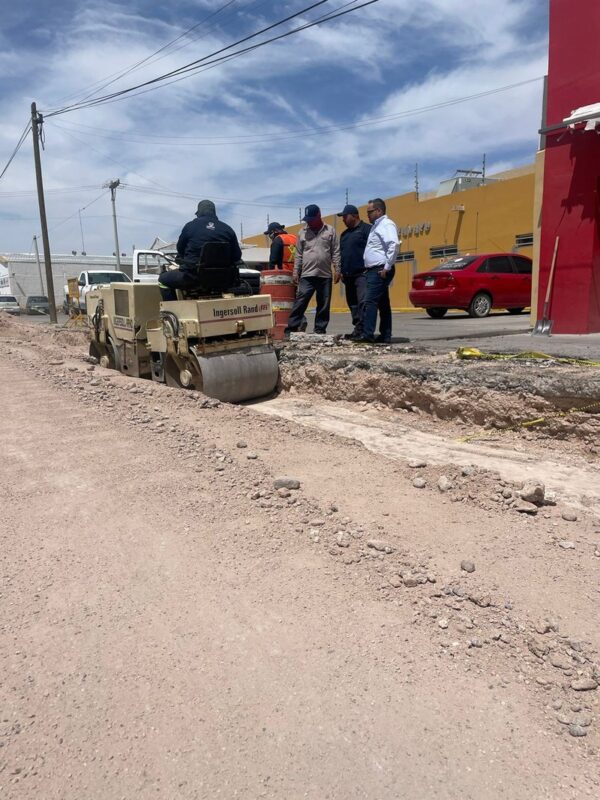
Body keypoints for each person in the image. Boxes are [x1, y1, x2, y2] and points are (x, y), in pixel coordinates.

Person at [159, 199, 242, 300]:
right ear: (214, 213)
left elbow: (180, 249)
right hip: (223, 279)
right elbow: (237, 256)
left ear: (199, 213)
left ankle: (172, 308)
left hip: (193, 277)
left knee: (162, 280)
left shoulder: (190, 226)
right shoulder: (228, 229)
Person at [285, 204, 340, 335]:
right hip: (307, 275)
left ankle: (320, 329)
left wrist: (337, 269)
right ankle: (292, 328)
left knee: (324, 304)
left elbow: (336, 251)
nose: (309, 222)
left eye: (311, 219)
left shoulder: (330, 231)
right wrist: (296, 272)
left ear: (319, 215)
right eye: (307, 220)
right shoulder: (302, 232)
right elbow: (299, 254)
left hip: (325, 275)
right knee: (300, 301)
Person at [355, 198, 399, 343]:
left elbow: (393, 244)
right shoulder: (376, 226)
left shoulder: (386, 224)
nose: (367, 214)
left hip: (380, 269)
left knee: (370, 301)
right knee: (382, 303)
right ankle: (385, 335)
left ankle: (367, 334)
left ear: (379, 211)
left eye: (370, 211)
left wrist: (387, 267)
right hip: (374, 270)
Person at [337, 204, 371, 339]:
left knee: (363, 302)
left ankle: (365, 331)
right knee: (353, 304)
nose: (343, 219)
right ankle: (358, 329)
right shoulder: (344, 235)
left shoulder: (367, 229)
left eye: (345, 216)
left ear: (355, 216)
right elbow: (341, 254)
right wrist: (340, 271)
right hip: (348, 276)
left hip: (362, 274)